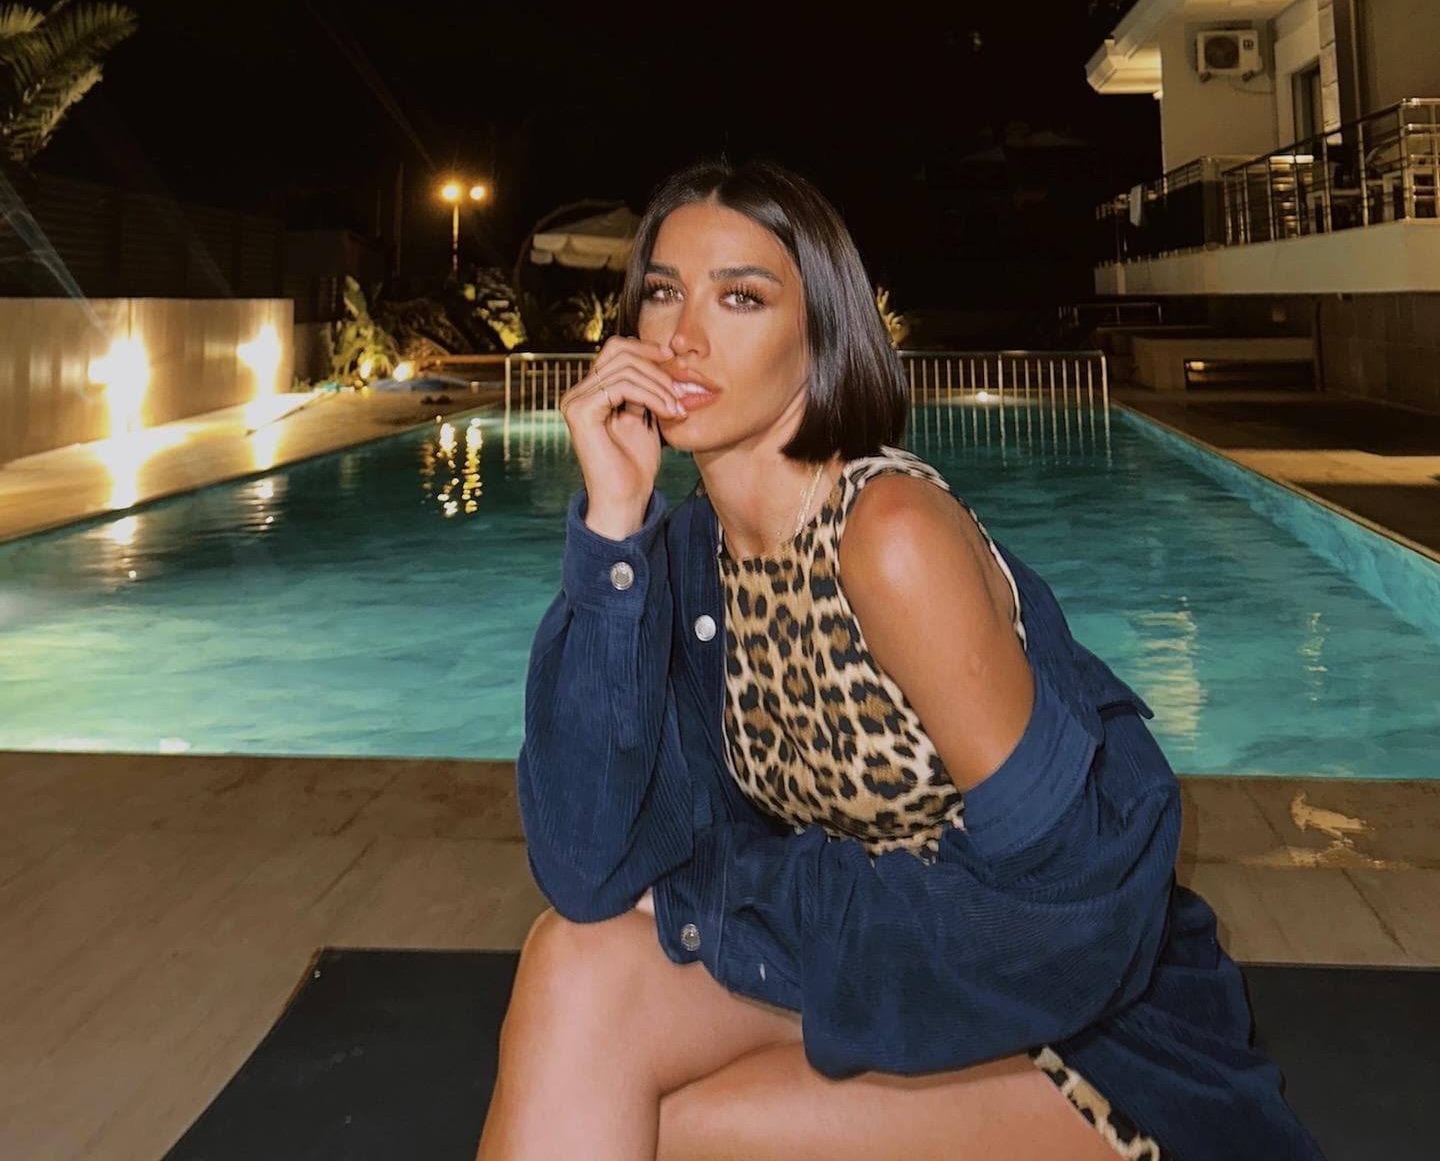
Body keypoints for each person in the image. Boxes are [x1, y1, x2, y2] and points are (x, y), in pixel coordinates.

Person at [478, 158, 1323, 1160]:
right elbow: (585, 869)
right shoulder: (691, 563)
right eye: (663, 293)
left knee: (678, 1128)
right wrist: (613, 532)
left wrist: (741, 901)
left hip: (1087, 1036)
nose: (682, 335)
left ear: (821, 332)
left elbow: (1070, 908)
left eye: (741, 297)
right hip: (887, 976)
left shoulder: (888, 536)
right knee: (574, 964)